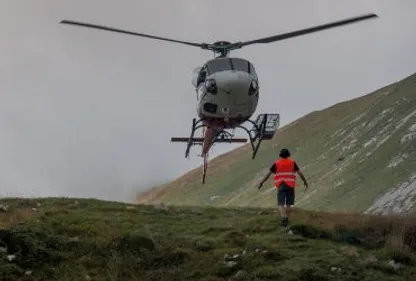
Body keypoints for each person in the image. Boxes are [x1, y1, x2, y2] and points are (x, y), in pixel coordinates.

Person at [257, 148, 308, 226]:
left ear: (280, 155)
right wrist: (305, 181)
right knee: (289, 203)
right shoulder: (292, 163)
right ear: (288, 155)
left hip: (281, 185)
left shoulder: (277, 163)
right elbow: (299, 172)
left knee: (280, 204)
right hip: (290, 185)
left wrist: (261, 182)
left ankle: (284, 218)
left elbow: (268, 174)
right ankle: (287, 218)